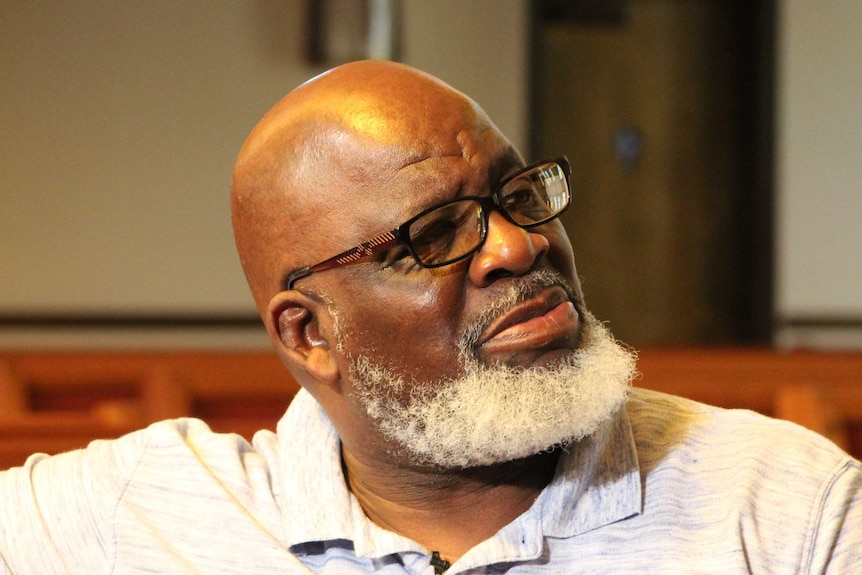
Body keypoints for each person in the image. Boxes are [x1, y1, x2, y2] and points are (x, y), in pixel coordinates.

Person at [0, 60, 859, 574]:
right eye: (436, 237)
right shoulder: (128, 515)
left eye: (517, 194)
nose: (519, 247)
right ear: (310, 332)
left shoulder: (784, 511)